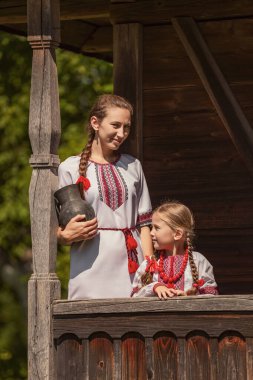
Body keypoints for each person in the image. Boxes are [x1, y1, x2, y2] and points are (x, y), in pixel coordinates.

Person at [57, 94, 153, 299]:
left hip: (132, 268)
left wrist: (150, 268)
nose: (121, 133)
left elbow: (144, 224)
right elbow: (58, 230)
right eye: (115, 125)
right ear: (95, 123)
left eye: (126, 127)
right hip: (89, 268)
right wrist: (64, 237)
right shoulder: (69, 168)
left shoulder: (133, 166)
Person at [131, 201, 218, 299]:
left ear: (177, 234)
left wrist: (189, 297)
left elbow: (211, 295)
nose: (151, 233)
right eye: (152, 227)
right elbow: (135, 295)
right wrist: (154, 287)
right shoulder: (149, 264)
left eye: (157, 228)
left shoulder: (199, 261)